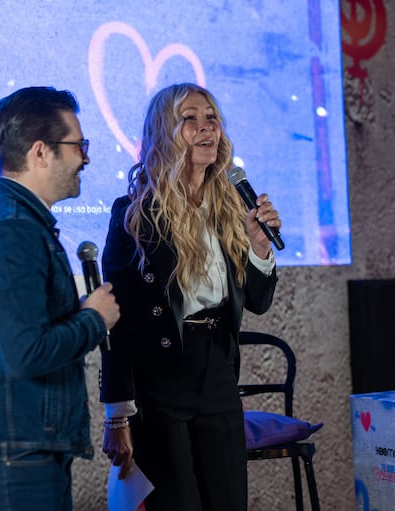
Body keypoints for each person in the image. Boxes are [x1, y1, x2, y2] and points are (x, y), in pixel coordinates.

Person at [0, 86, 120, 511]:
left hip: (6, 454)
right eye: (78, 145)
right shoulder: (12, 230)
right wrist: (94, 319)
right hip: (13, 462)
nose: (86, 158)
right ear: (40, 153)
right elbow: (28, 352)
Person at [99, 83, 281, 511]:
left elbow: (257, 301)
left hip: (218, 371)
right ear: (164, 133)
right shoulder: (136, 213)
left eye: (212, 118)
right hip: (160, 381)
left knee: (229, 500)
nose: (206, 128)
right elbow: (117, 322)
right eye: (190, 119)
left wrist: (259, 247)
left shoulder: (232, 206)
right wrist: (118, 414)